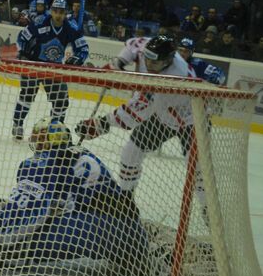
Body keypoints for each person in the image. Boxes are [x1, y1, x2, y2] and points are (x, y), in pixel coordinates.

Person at [0, 117, 149, 276]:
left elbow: (28, 216)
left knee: (3, 246)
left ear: (51, 141)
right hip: (131, 237)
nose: (36, 143)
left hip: (90, 229)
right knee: (15, 209)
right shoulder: (80, 155)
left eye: (40, 138)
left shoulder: (44, 162)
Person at [75, 35, 210, 225]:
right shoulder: (151, 51)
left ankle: (209, 213)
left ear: (168, 61)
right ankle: (126, 199)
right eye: (146, 58)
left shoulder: (173, 77)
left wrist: (101, 124)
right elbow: (134, 43)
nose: (148, 63)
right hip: (163, 115)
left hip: (192, 119)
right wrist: (119, 61)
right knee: (131, 150)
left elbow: (135, 114)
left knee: (198, 170)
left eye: (154, 62)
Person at [11, 0, 89, 140]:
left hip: (55, 69)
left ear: (66, 13)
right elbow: (22, 37)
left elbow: (83, 48)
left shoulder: (71, 27)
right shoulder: (40, 22)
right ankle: (17, 124)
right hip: (34, 65)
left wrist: (78, 59)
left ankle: (54, 130)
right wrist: (22, 52)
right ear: (51, 11)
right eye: (55, 11)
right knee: (27, 95)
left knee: (61, 101)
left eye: (61, 12)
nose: (58, 15)